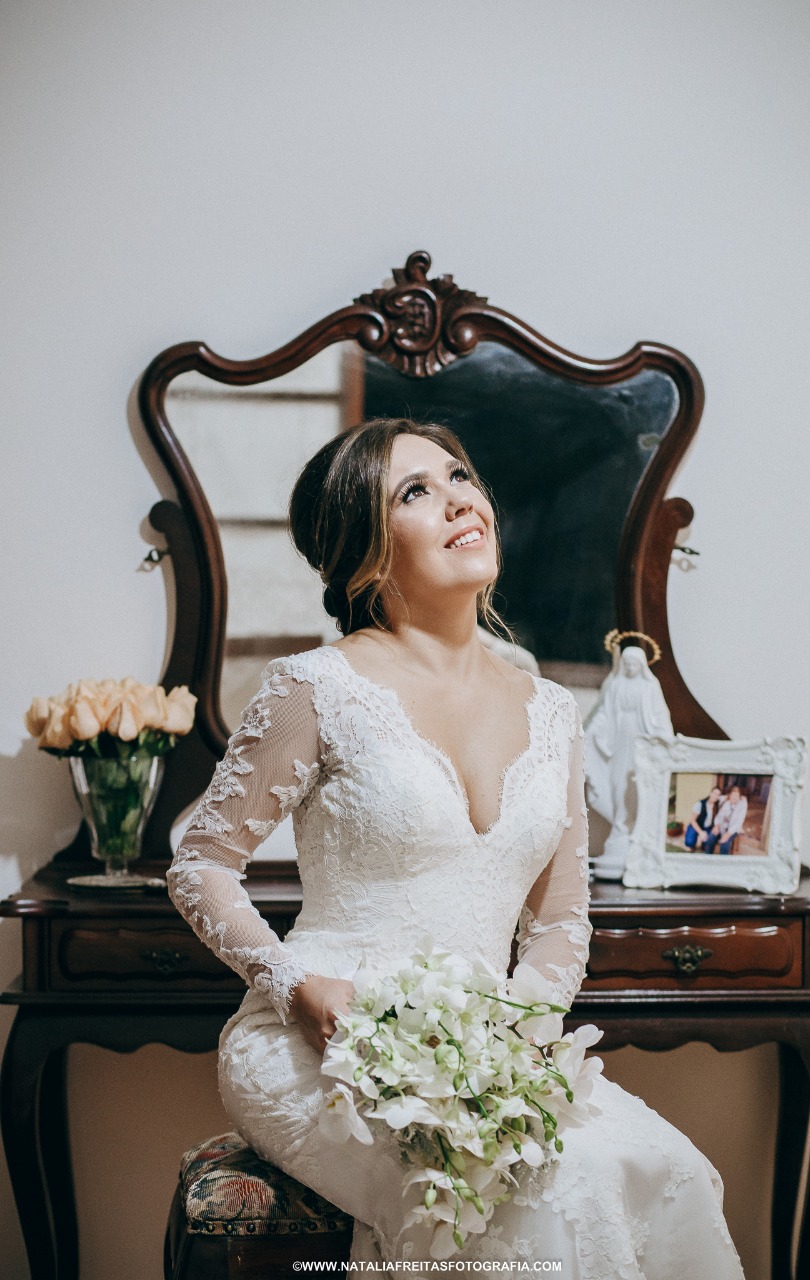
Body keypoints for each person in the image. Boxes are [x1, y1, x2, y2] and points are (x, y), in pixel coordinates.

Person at [168, 418, 744, 1276]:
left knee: (672, 1170)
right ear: (363, 552)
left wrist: (519, 1034)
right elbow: (201, 864)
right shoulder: (314, 688)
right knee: (539, 1194)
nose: (457, 500)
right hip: (319, 1048)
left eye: (459, 477)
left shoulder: (551, 710)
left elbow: (560, 919)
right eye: (414, 491)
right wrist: (295, 987)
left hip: (487, 1058)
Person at [584, 645, 673, 880]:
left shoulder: (650, 686)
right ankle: (620, 826)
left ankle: (634, 830)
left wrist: (665, 738)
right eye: (627, 664)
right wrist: (591, 733)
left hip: (641, 743)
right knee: (617, 785)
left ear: (642, 665)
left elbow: (660, 714)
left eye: (635, 664)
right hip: (619, 741)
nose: (631, 668)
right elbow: (604, 714)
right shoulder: (616, 685)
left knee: (637, 785)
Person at [706, 786, 749, 855]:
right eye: (733, 795)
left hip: (733, 830)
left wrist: (728, 834)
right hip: (722, 827)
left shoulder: (742, 805)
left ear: (740, 797)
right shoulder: (726, 802)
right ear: (729, 795)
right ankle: (708, 857)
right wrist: (717, 826)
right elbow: (719, 817)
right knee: (711, 838)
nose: (734, 797)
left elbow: (738, 823)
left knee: (724, 844)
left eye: (737, 796)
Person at [683, 785, 723, 850]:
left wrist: (717, 826)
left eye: (718, 795)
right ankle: (692, 846)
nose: (716, 796)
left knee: (708, 842)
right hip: (696, 825)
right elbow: (692, 820)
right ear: (710, 794)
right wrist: (701, 832)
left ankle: (703, 845)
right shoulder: (700, 804)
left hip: (707, 827)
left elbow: (719, 818)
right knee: (689, 842)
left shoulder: (717, 806)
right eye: (714, 793)